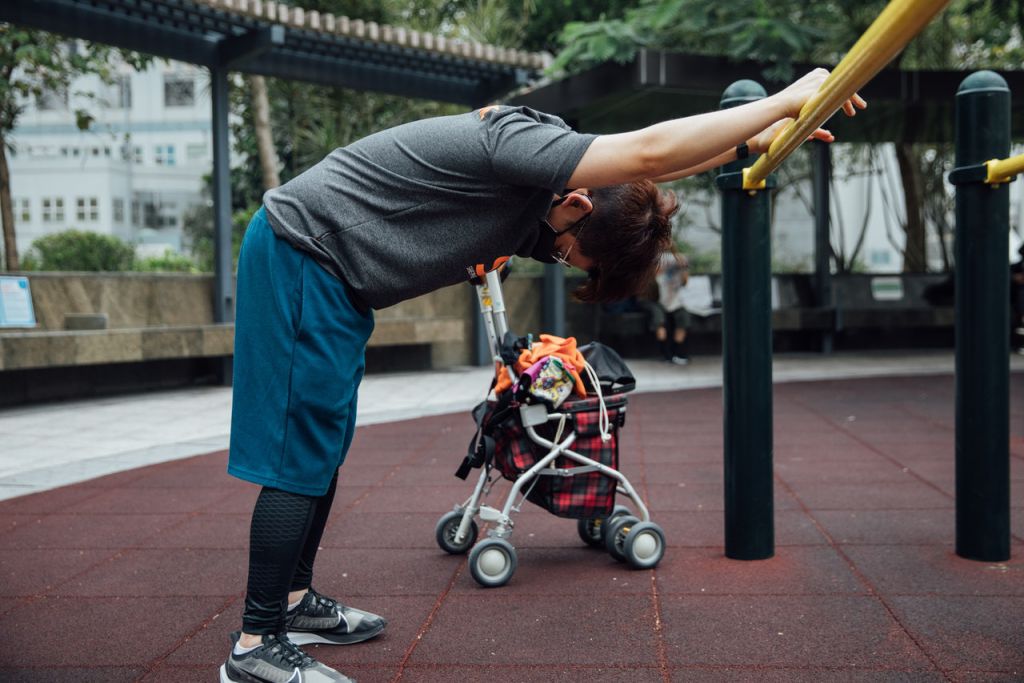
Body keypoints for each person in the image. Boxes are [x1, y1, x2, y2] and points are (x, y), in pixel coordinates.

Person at [221, 68, 866, 683]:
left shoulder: (544, 198)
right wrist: (783, 101)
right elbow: (645, 153)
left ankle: (294, 604)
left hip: (334, 276)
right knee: (299, 452)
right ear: (579, 203)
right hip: (303, 254)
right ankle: (254, 646)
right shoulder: (517, 145)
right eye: (569, 255)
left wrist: (744, 141)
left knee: (324, 445)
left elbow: (652, 170)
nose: (558, 257)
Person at [646, 250, 693, 365]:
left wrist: (683, 268)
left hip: (674, 302)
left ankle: (678, 352)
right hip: (658, 302)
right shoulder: (657, 269)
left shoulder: (678, 272)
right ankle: (666, 354)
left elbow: (685, 282)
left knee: (683, 318)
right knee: (660, 321)